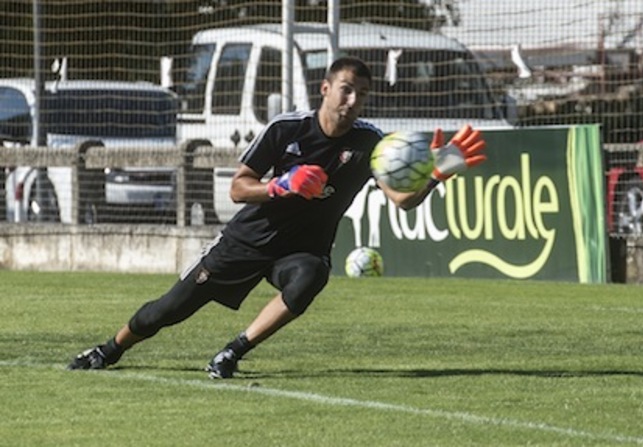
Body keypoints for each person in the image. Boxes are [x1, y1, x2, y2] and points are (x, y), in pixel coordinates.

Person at [67, 56, 486, 379]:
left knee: (311, 277)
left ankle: (232, 352)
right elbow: (238, 187)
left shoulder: (370, 142)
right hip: (246, 240)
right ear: (325, 88)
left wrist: (436, 173)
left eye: (361, 94)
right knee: (164, 312)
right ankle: (109, 350)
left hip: (301, 250)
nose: (352, 101)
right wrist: (280, 186)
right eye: (345, 90)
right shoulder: (287, 129)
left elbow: (401, 200)